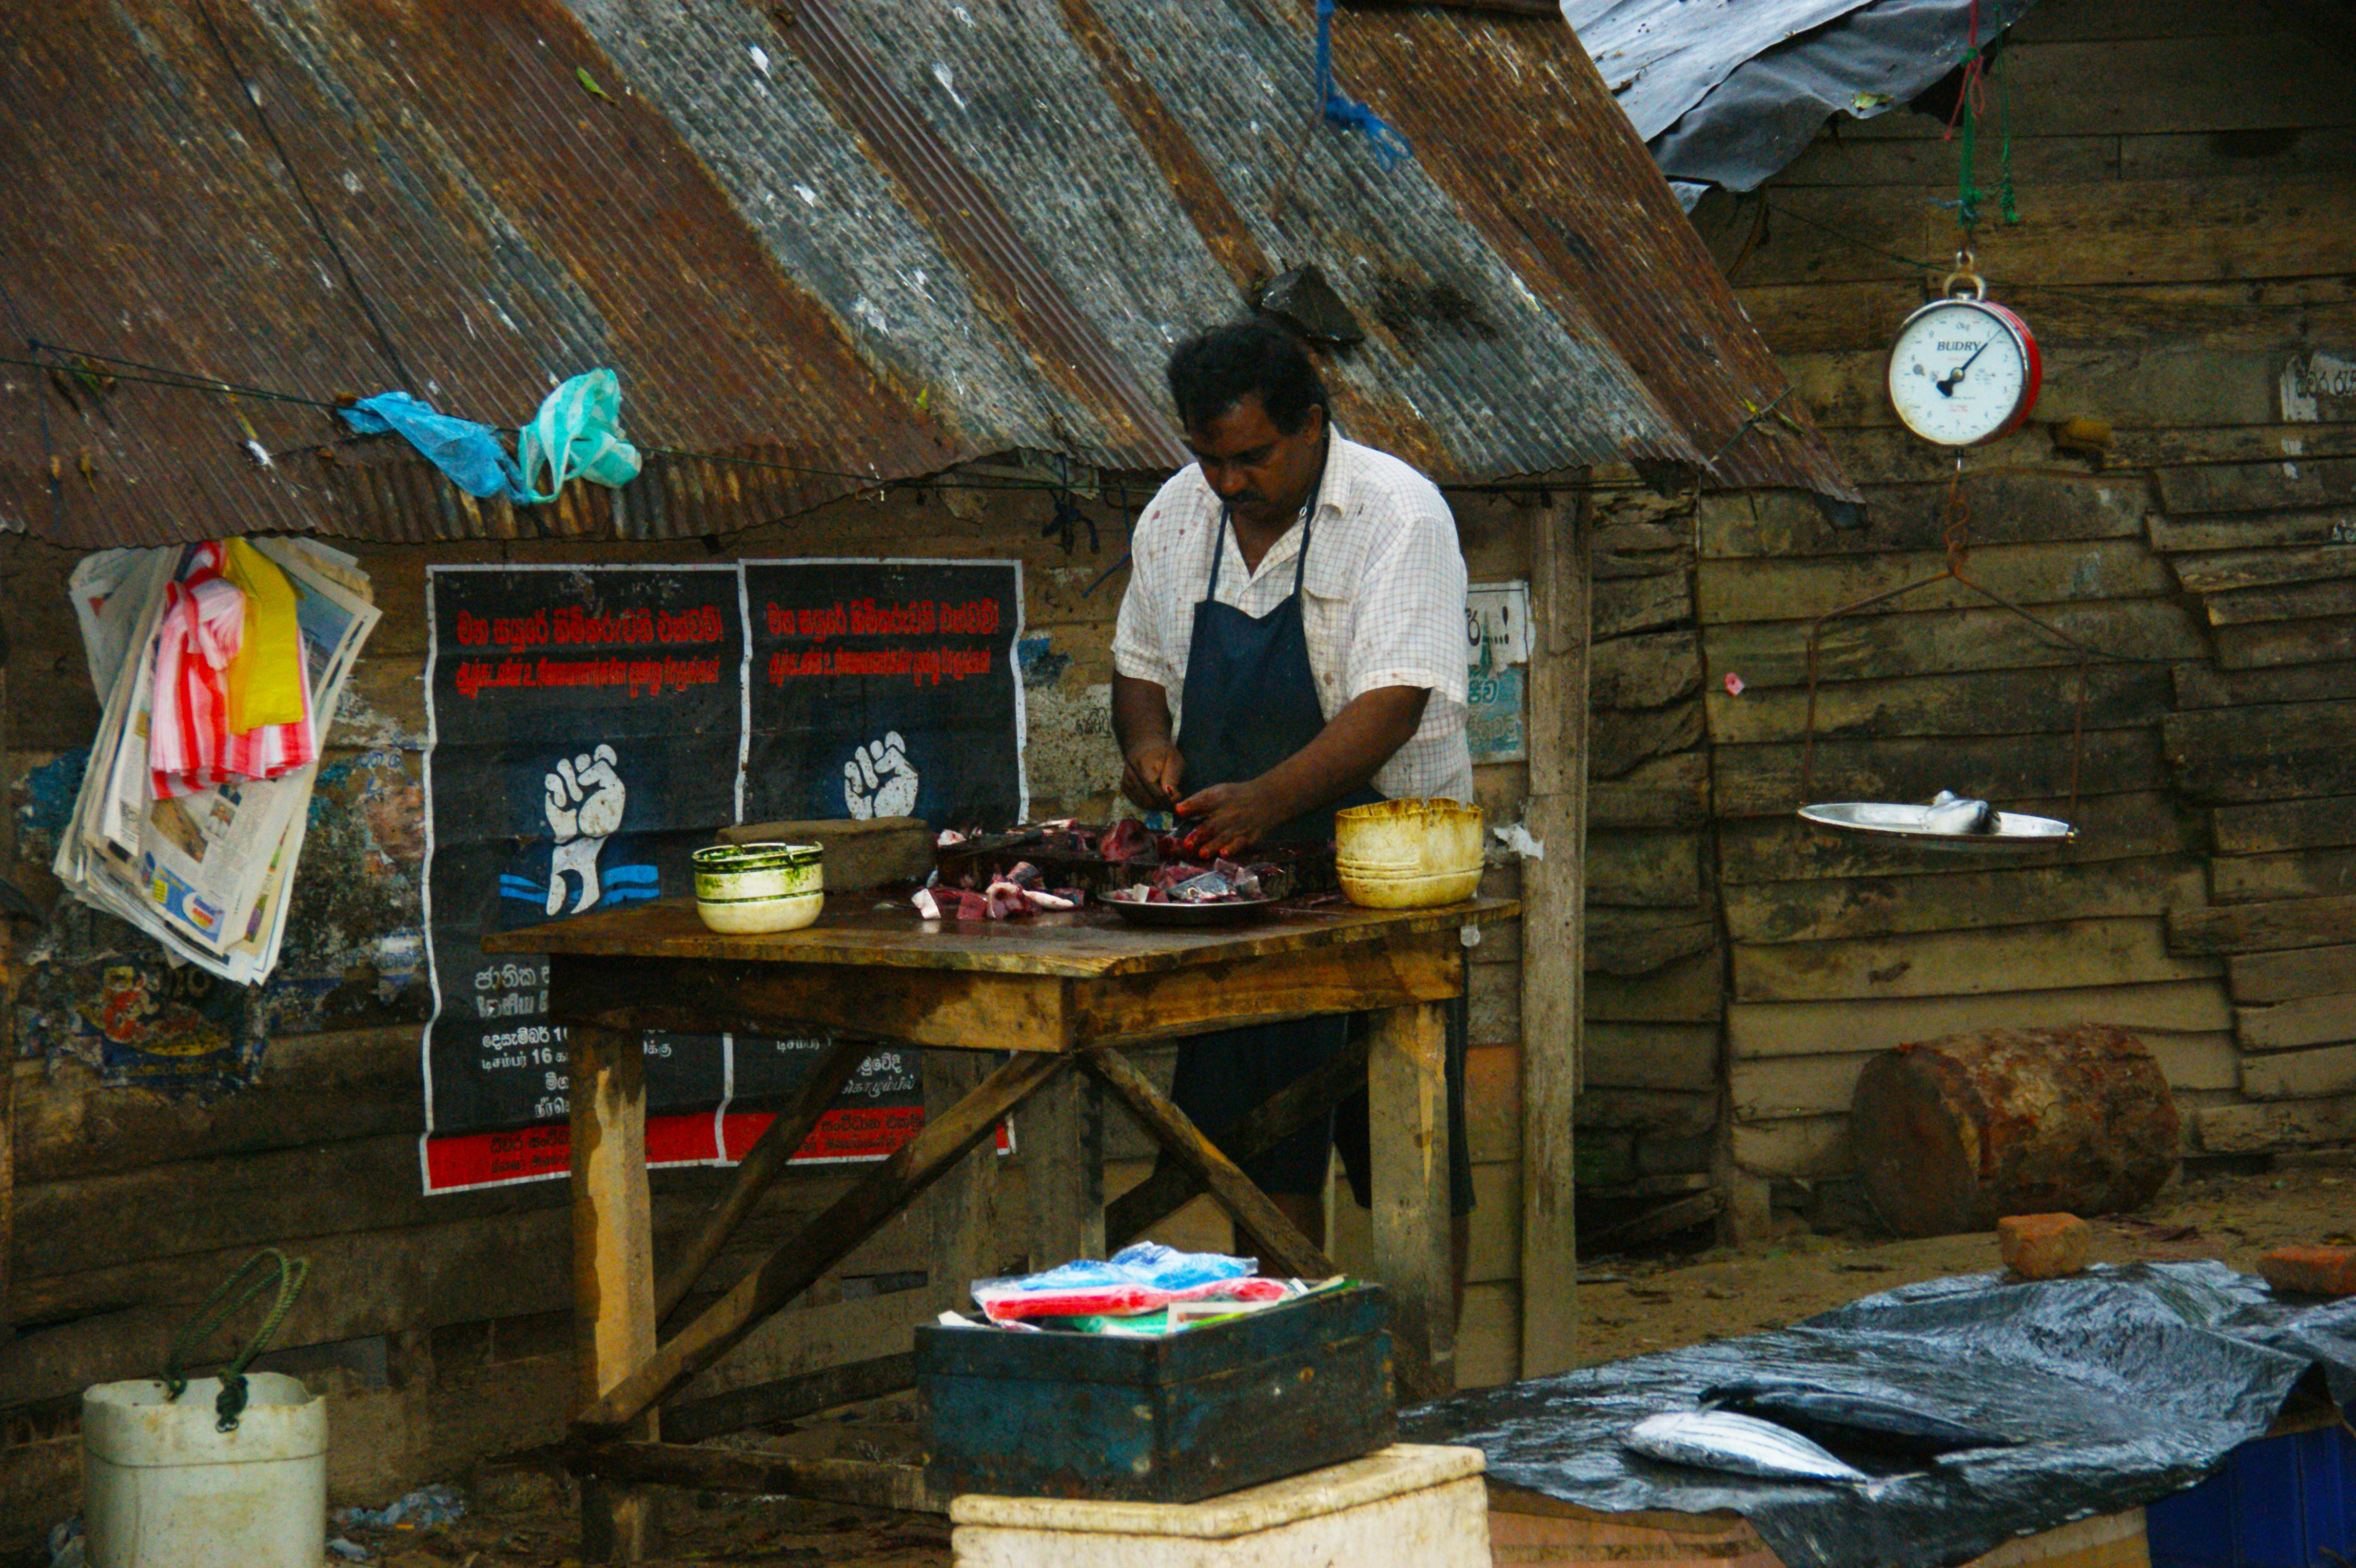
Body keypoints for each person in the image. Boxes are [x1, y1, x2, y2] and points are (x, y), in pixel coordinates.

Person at [1111, 317, 1475, 1269]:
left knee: (1411, 1150)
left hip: (1386, 884)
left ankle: (1426, 1374)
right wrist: (1150, 748)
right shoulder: (1177, 516)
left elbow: (1392, 705)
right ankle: (1294, 1353)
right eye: (1208, 459)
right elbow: (1139, 666)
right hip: (1235, 896)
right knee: (1264, 1148)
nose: (1229, 482)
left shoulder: (1399, 515)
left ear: (1312, 422)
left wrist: (1264, 801)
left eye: (1251, 458)